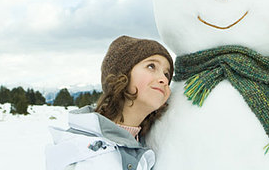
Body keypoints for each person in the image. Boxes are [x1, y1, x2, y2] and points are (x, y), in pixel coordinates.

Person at [45, 35, 173, 170]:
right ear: (121, 75)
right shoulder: (85, 152)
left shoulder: (144, 147)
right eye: (151, 66)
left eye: (167, 74)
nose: (163, 80)